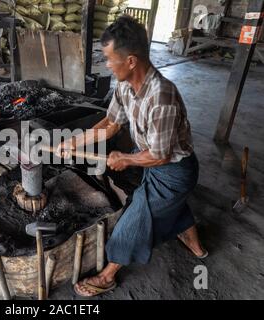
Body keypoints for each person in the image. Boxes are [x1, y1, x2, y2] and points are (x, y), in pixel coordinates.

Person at [56, 16, 208, 297]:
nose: (107, 65)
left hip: (175, 171)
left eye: (110, 59)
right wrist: (75, 140)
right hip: (153, 162)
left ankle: (107, 276)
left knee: (136, 218)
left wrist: (126, 159)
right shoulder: (125, 86)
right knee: (164, 206)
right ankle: (193, 241)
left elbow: (161, 155)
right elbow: (111, 124)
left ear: (131, 61)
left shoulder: (162, 97)